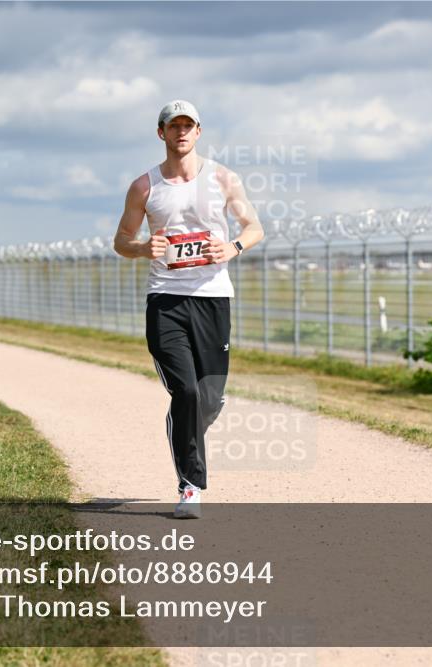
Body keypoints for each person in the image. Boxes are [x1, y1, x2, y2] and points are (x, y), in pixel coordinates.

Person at [113, 100, 264, 519]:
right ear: (161, 133)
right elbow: (121, 240)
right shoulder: (144, 187)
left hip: (213, 297)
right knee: (187, 391)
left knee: (209, 400)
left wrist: (232, 247)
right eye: (172, 126)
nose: (181, 132)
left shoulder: (222, 178)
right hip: (166, 301)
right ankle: (190, 486)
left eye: (188, 125)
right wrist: (143, 248)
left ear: (198, 131)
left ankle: (187, 423)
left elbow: (255, 227)